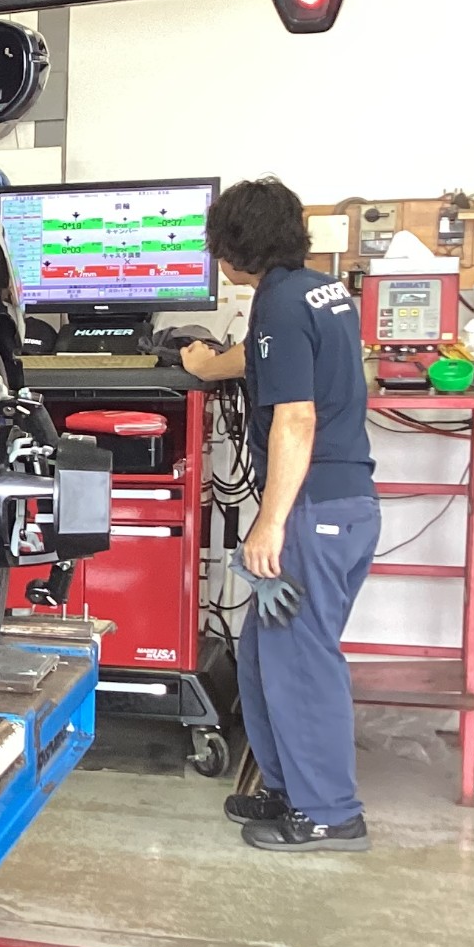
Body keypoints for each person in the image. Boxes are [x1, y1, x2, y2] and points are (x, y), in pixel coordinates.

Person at [180, 178, 378, 852]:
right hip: (339, 505)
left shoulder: (282, 305)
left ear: (235, 247)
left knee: (302, 661)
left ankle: (331, 813)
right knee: (265, 654)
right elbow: (269, 359)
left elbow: (296, 417)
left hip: (312, 511)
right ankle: (290, 791)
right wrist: (212, 365)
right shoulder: (315, 291)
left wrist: (269, 524)